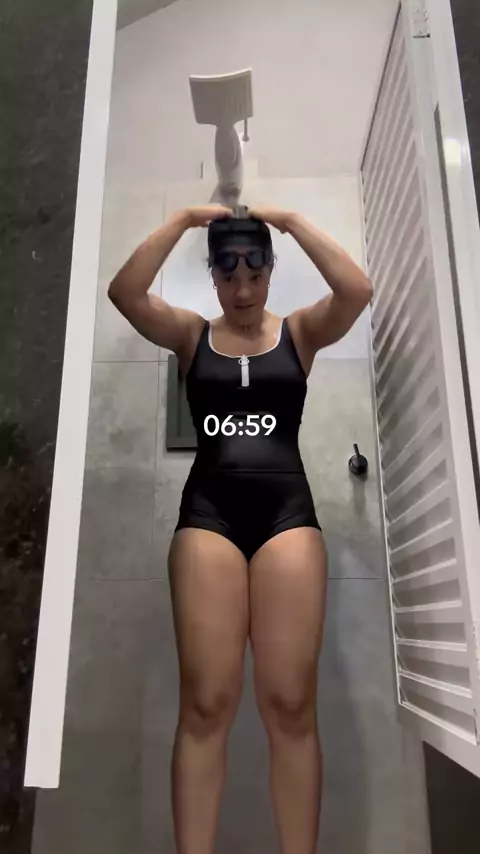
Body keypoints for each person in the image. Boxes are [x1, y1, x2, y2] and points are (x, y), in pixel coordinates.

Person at [108, 203, 372, 854]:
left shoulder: (301, 333)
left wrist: (289, 220)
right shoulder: (190, 335)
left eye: (256, 274)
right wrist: (182, 219)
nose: (245, 291)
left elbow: (356, 290)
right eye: (229, 276)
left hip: (287, 517)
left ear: (271, 270)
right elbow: (125, 293)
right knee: (206, 704)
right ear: (214, 276)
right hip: (210, 517)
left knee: (290, 704)